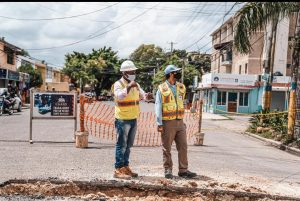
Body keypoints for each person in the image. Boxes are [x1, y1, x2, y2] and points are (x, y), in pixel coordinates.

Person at [112, 60, 152, 179]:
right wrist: (129, 87)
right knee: (121, 145)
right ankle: (118, 169)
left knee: (128, 145)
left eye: (134, 71)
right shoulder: (118, 84)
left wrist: (147, 96)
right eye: (131, 71)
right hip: (122, 119)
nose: (133, 73)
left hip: (133, 118)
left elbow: (143, 96)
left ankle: (125, 166)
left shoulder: (136, 84)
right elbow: (119, 96)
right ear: (124, 72)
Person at [155, 64, 197, 179]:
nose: (178, 74)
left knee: (183, 146)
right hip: (167, 122)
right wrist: (159, 123)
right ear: (170, 74)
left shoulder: (181, 87)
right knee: (166, 147)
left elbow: (181, 103)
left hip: (180, 122)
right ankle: (168, 170)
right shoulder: (161, 88)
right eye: (175, 72)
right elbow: (158, 106)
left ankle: (183, 170)